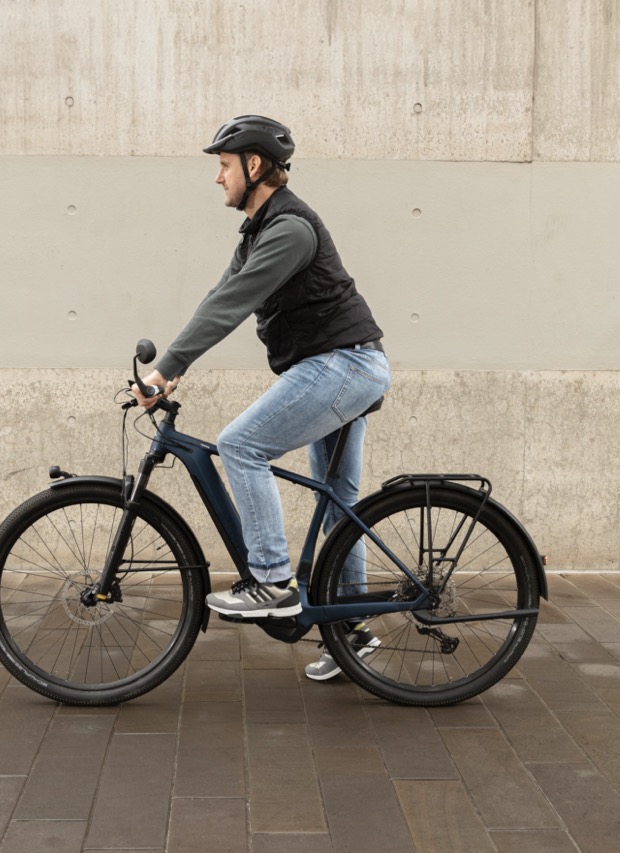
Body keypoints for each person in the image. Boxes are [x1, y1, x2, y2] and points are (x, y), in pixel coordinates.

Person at [132, 115, 390, 681]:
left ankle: (271, 582)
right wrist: (171, 371)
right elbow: (221, 295)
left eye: (224, 166)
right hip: (338, 365)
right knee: (339, 506)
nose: (217, 178)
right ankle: (353, 630)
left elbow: (234, 303)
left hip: (343, 365)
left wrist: (168, 369)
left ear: (254, 166)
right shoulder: (258, 230)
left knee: (241, 444)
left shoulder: (290, 229)